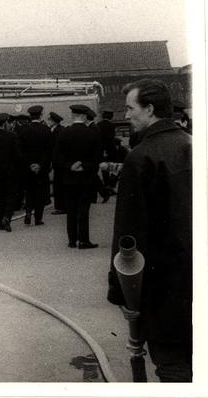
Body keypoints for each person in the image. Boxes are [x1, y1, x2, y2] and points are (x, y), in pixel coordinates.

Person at [107, 79, 192, 382]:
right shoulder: (193, 144)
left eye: (131, 108)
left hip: (163, 285)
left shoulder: (141, 157)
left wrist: (120, 291)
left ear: (150, 109)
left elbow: (129, 236)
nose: (126, 115)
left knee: (171, 363)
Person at [53, 105, 101, 249]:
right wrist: (84, 165)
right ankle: (84, 240)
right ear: (85, 116)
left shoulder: (64, 133)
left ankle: (72, 240)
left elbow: (57, 157)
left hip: (69, 178)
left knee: (71, 208)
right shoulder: (92, 133)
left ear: (73, 116)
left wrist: (70, 166)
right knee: (84, 209)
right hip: (86, 177)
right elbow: (97, 156)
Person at [18, 105, 52, 226]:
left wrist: (30, 164)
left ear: (30, 116)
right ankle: (38, 218)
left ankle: (28, 213)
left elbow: (21, 151)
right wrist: (40, 165)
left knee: (29, 191)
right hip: (41, 168)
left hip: (27, 168)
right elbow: (48, 151)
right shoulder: (46, 130)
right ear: (40, 115)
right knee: (40, 192)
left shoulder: (23, 130)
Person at [47, 112, 66, 215]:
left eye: (49, 120)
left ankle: (61, 207)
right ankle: (61, 205)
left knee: (59, 184)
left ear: (54, 121)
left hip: (59, 162)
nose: (48, 122)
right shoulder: (57, 130)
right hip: (58, 161)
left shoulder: (57, 131)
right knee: (59, 183)